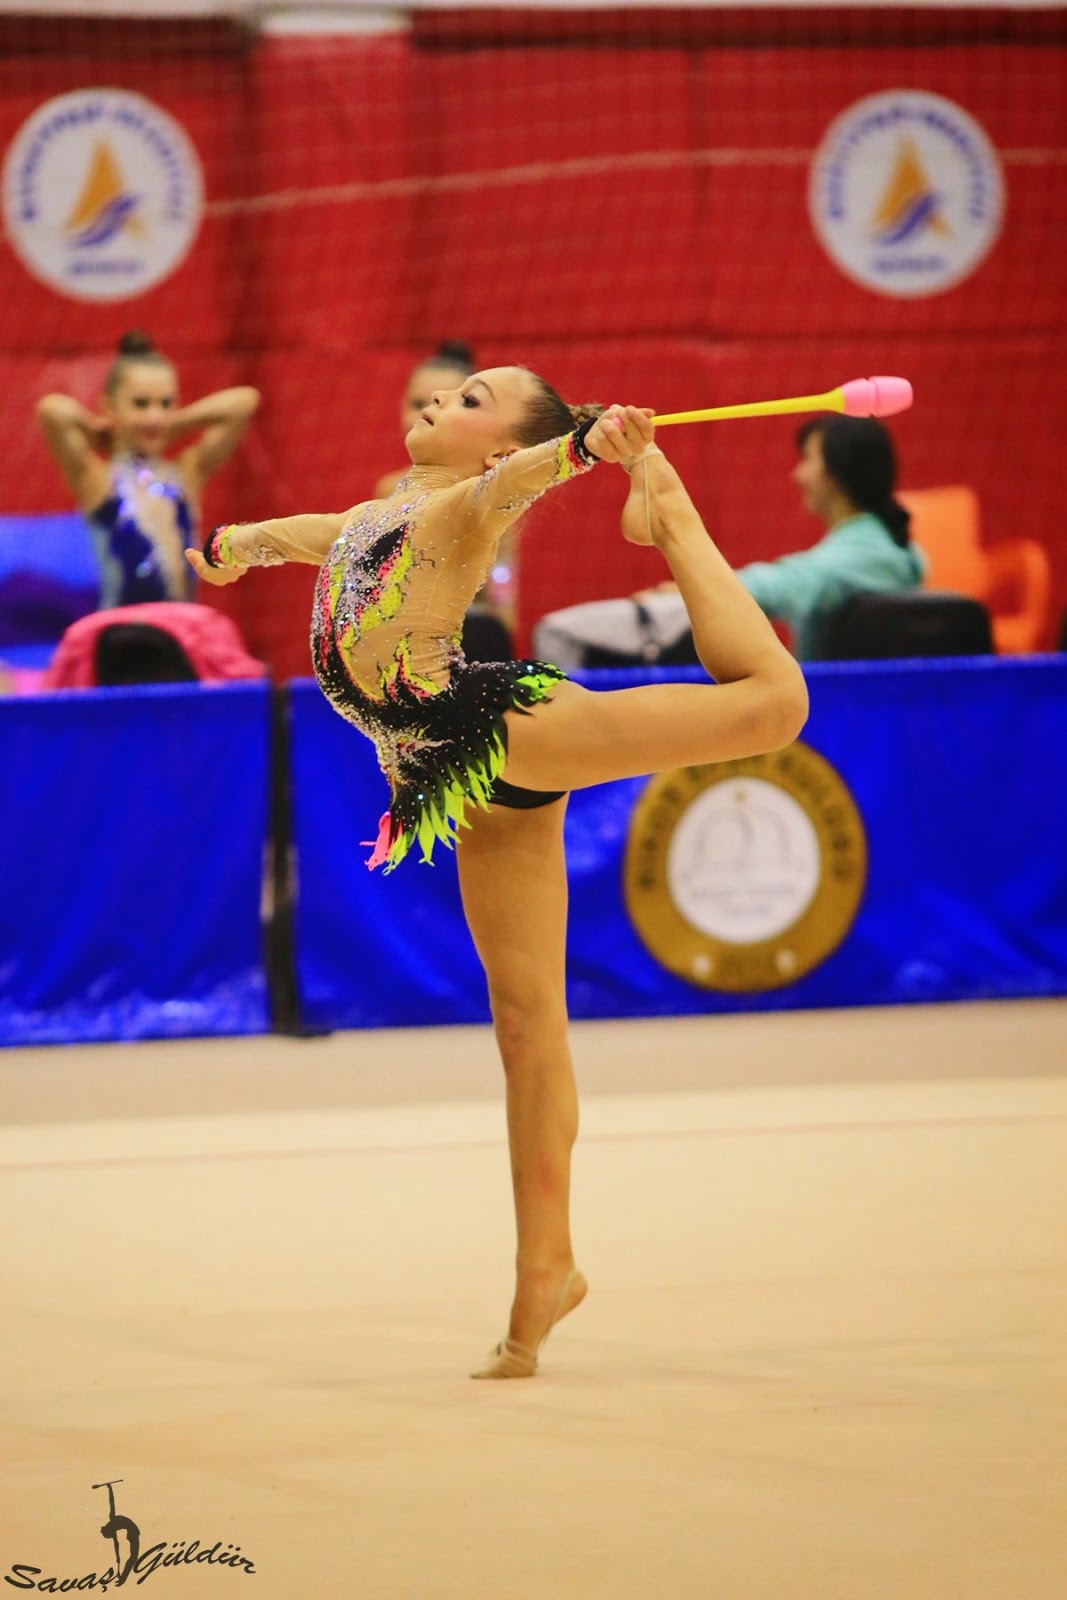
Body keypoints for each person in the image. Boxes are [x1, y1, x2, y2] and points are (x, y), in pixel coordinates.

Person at [186, 368, 808, 1379]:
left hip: (501, 726)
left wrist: (586, 449)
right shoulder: (384, 514)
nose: (440, 399)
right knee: (523, 1020)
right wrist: (244, 544)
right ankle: (545, 1268)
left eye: (471, 398)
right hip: (454, 775)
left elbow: (518, 479)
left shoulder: (474, 502)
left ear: (499, 449)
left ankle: (672, 517)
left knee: (773, 707)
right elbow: (324, 536)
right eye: (444, 392)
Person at [532, 414, 925, 667]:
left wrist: (696, 586)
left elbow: (791, 582)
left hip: (837, 720)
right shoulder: (886, 550)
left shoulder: (872, 556)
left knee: (559, 635)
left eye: (808, 459)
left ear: (837, 474)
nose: (798, 474)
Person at [37, 330, 260, 609]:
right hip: (122, 628)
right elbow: (52, 410)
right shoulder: (98, 480)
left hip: (179, 627)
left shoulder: (186, 474)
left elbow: (244, 402)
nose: (154, 416)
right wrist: (98, 430)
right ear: (109, 407)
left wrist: (173, 423)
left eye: (165, 404)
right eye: (141, 404)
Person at [378, 342, 519, 643]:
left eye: (444, 405)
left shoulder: (494, 492)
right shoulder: (390, 489)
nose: (426, 414)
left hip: (469, 630)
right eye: (417, 404)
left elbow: (503, 576)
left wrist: (504, 627)